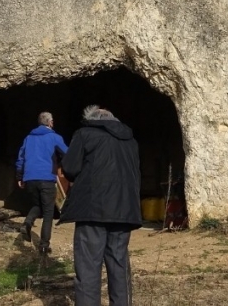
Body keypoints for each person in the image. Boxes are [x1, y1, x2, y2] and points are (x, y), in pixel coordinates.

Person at [60, 105, 142, 306]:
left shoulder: (84, 134)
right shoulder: (130, 140)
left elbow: (69, 168)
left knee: (88, 267)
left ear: (91, 119)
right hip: (124, 209)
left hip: (92, 209)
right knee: (119, 265)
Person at [15, 111, 69, 254]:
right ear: (50, 123)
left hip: (30, 178)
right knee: (48, 212)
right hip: (47, 178)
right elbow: (67, 154)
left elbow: (20, 158)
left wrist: (20, 176)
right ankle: (44, 245)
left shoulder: (28, 138)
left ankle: (27, 223)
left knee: (37, 205)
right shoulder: (55, 138)